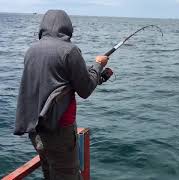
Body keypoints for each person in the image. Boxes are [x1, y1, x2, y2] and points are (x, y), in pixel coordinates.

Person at [14, 10, 109, 180]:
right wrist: (98, 65)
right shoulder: (70, 51)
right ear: (67, 27)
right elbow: (85, 89)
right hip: (59, 130)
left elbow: (54, 79)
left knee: (49, 174)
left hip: (36, 130)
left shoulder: (31, 51)